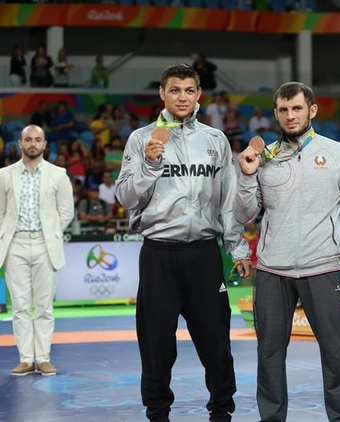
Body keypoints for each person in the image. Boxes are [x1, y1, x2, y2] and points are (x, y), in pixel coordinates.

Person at [114, 63, 251, 422]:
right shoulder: (141, 139)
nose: (182, 97)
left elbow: (228, 200)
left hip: (204, 255)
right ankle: (157, 414)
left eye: (189, 90)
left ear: (198, 94)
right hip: (159, 255)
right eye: (175, 90)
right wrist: (148, 164)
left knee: (216, 344)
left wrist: (237, 249)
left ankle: (221, 412)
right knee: (156, 346)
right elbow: (125, 197)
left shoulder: (215, 140)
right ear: (162, 93)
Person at [233, 81, 340, 422]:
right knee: (269, 355)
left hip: (322, 268)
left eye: (297, 108)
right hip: (272, 271)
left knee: (337, 354)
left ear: (312, 110)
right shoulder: (264, 158)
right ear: (276, 114)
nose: (290, 115)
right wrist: (247, 175)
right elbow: (244, 214)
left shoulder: (338, 154)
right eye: (283, 110)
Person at [0, 125, 75, 376]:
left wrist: (51, 232)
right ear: (20, 143)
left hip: (45, 244)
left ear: (44, 145)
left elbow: (66, 211)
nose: (33, 143)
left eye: (38, 140)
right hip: (15, 244)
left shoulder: (58, 174)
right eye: (28, 139)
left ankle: (43, 358)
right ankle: (25, 358)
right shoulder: (4, 175)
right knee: (20, 306)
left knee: (44, 306)